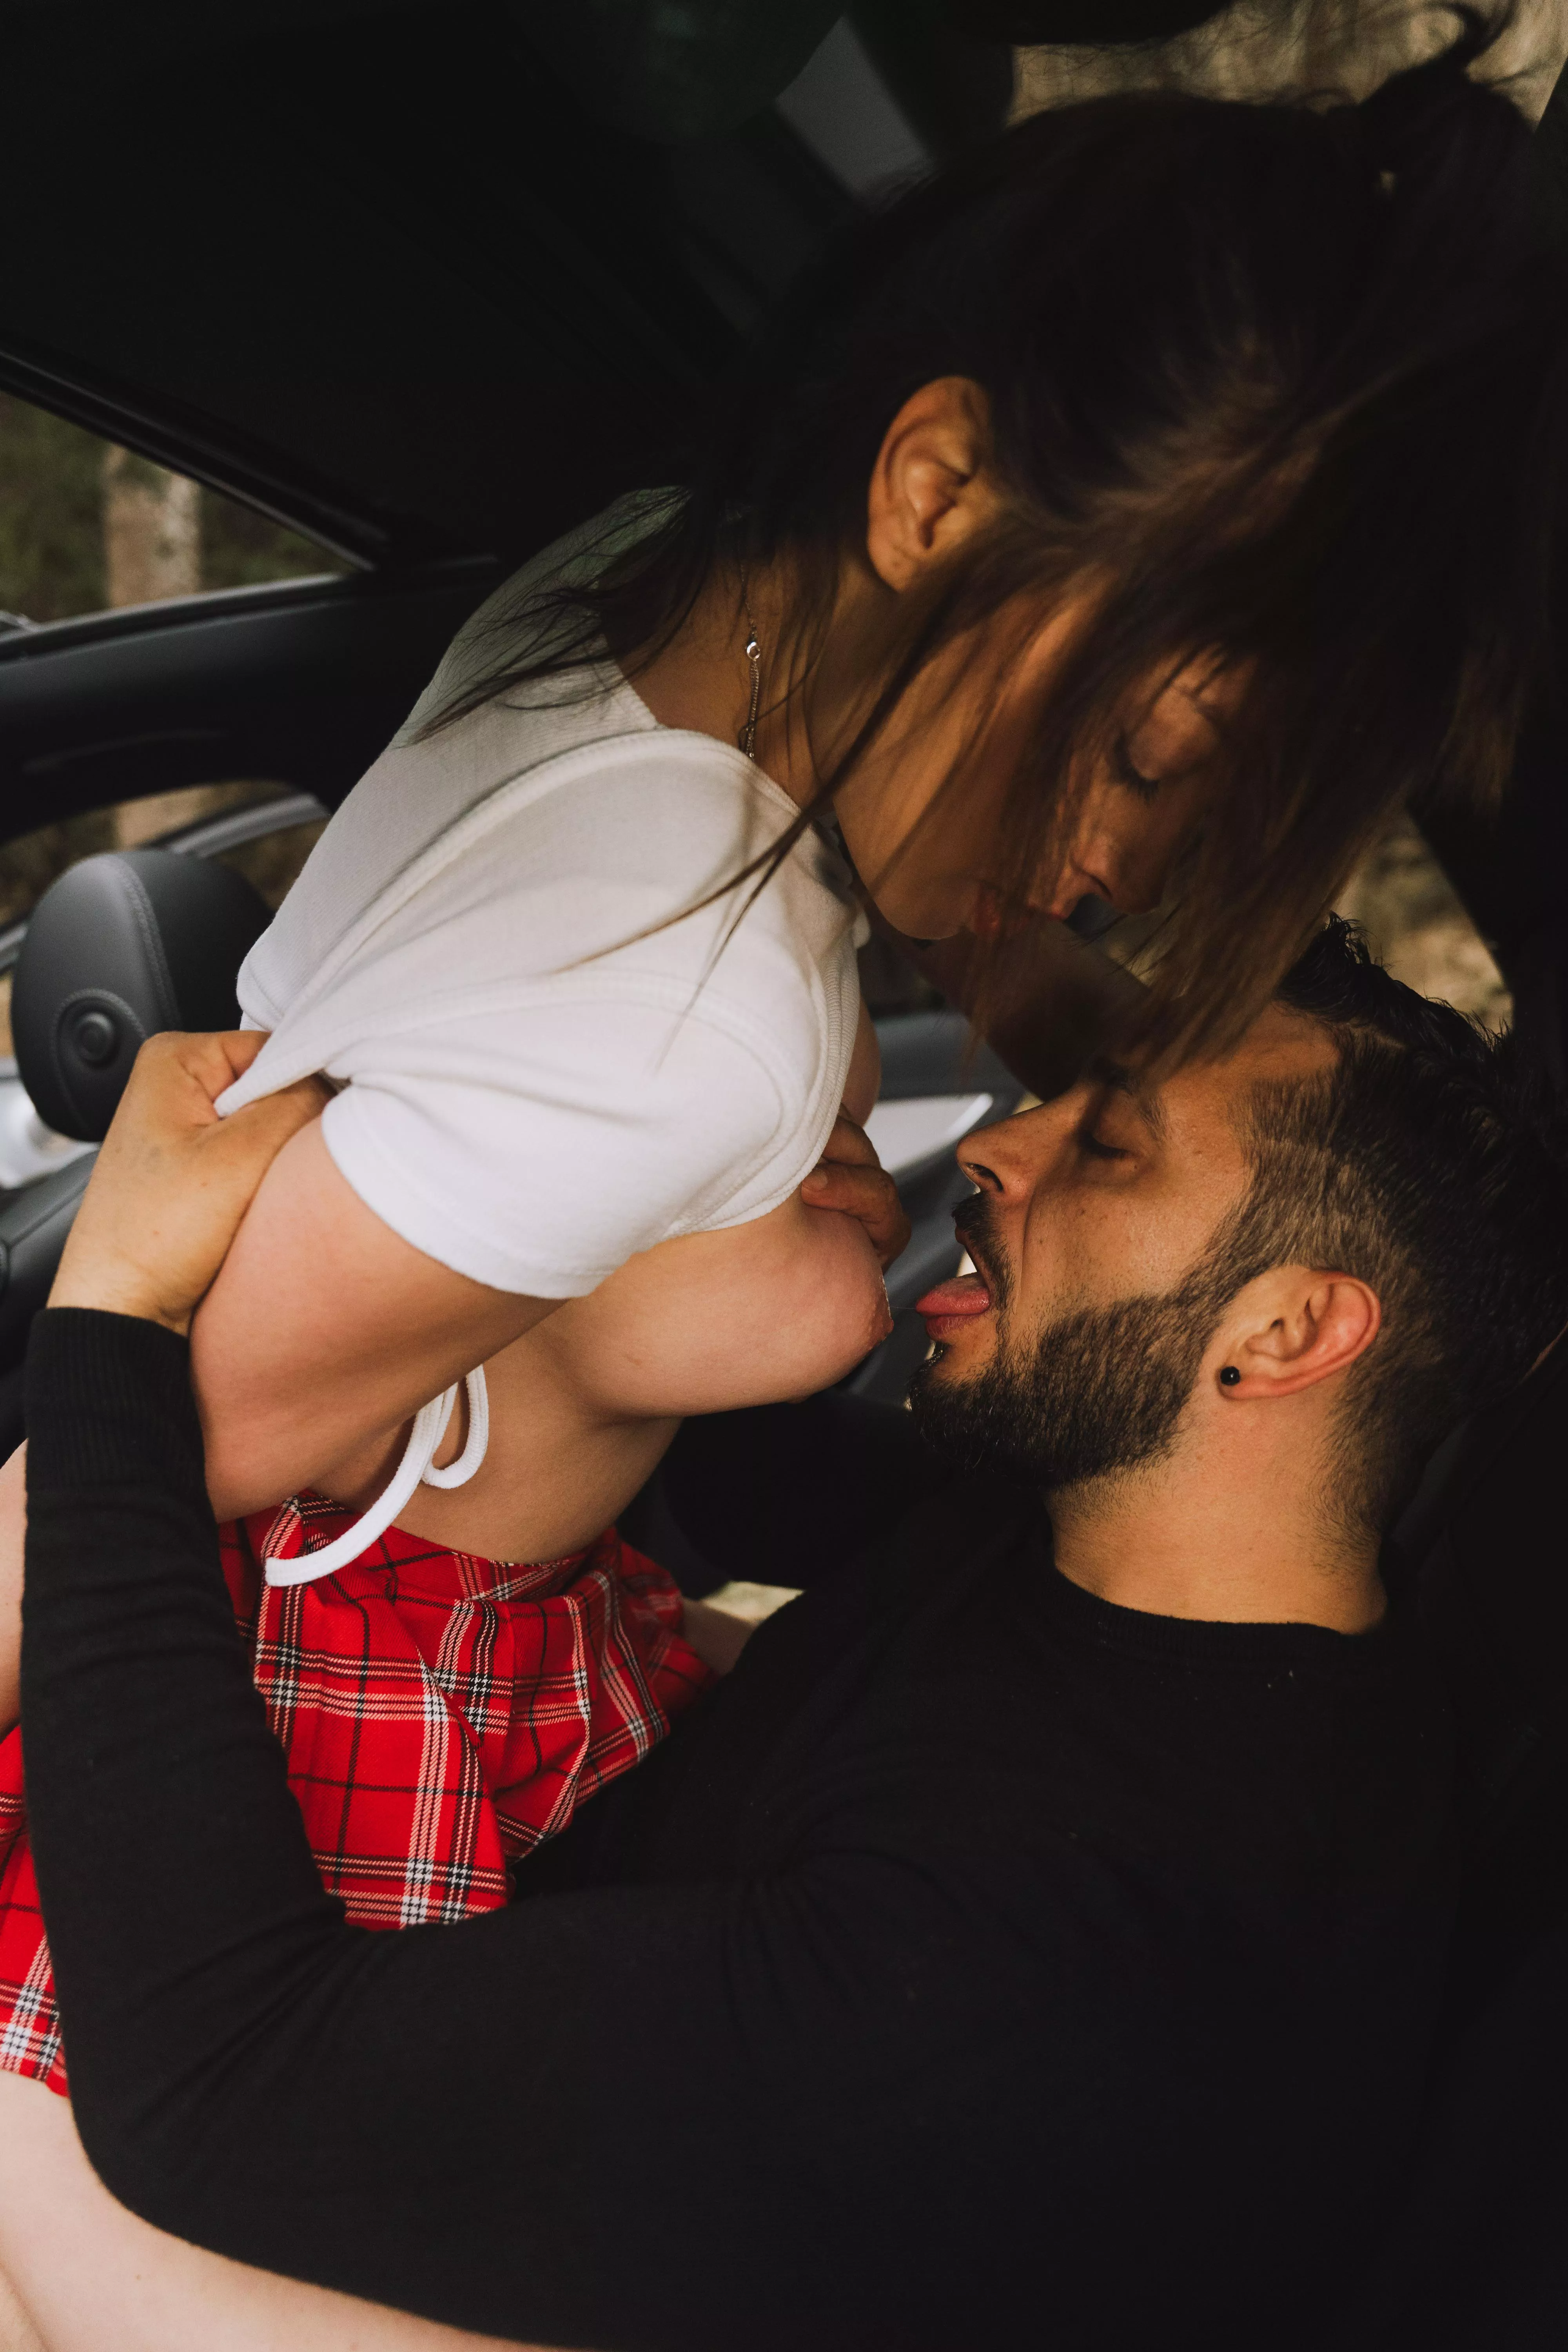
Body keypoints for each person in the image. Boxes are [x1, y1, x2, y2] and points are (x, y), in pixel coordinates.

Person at [4, 916, 1565, 2352]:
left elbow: (217, 2085)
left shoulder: (1048, 1972)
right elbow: (716, 1408)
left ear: (1285, 1334)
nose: (996, 1147)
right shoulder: (1117, 1550)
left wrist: (120, 1313)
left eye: (1103, 1144)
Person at [114, 24, 1566, 1567]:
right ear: (934, 489)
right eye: (1143, 765)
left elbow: (976, 924)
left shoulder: (653, 580)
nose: (1134, 874)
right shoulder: (697, 1025)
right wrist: (100, 1310)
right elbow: (106, 1509)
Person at [0, 1036, 903, 2095]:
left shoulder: (642, 1652)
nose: (848, 1134)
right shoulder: (173, 1662)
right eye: (739, 1085)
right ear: (452, 1238)